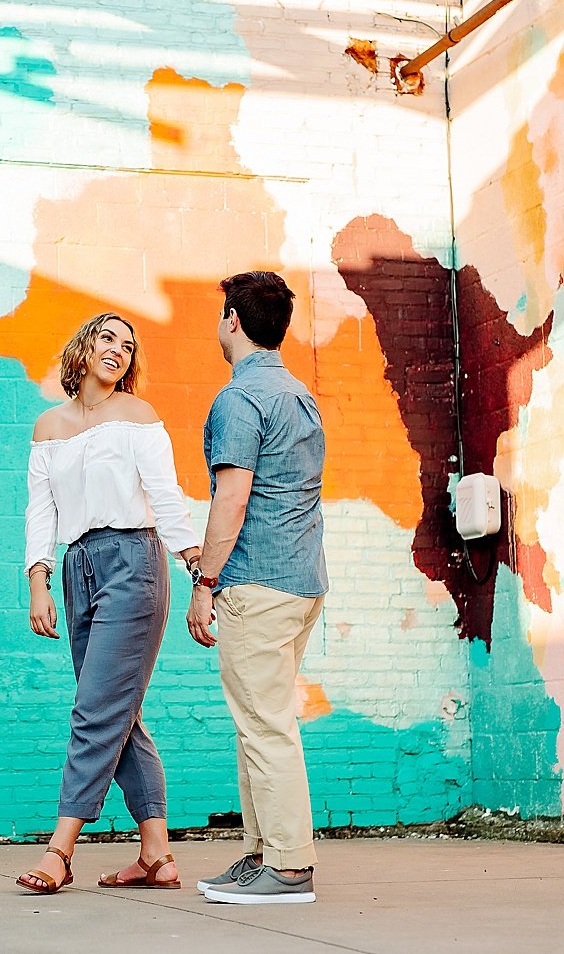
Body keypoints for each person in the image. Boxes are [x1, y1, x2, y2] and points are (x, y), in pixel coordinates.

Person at [14, 312, 201, 895]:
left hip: (135, 565)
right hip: (78, 569)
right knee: (118, 713)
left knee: (96, 711)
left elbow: (167, 498)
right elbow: (40, 510)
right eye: (107, 338)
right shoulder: (49, 426)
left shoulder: (138, 418)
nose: (118, 350)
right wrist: (38, 580)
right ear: (84, 347)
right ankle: (156, 857)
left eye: (128, 345)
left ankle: (59, 851)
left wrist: (200, 571)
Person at [185, 271, 328, 905]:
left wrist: (204, 581)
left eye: (222, 314)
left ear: (233, 321)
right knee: (258, 722)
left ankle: (289, 869)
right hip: (301, 584)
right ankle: (264, 851)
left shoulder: (239, 400)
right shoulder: (300, 396)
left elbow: (232, 498)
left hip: (258, 584)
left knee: (265, 725)